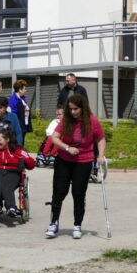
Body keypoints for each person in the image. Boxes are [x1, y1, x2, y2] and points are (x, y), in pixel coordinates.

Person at [45, 94, 106, 240]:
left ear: (82, 108)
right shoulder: (66, 120)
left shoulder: (92, 121)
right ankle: (53, 223)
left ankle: (77, 225)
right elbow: (54, 137)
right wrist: (67, 148)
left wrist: (100, 155)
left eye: (75, 109)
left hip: (83, 161)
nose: (72, 112)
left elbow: (101, 139)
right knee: (59, 192)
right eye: (70, 109)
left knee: (78, 193)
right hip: (64, 160)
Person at [8, 79, 33, 144]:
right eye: (24, 88)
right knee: (18, 142)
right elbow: (13, 113)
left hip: (23, 124)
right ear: (20, 89)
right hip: (18, 125)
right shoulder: (13, 99)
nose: (25, 90)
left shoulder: (23, 98)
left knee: (22, 141)